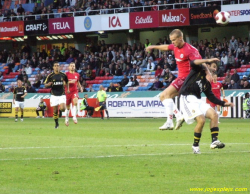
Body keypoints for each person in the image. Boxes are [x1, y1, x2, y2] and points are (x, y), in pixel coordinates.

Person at [146, 29, 205, 130]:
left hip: (187, 78)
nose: (172, 42)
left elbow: (198, 62)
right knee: (164, 97)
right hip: (181, 78)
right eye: (171, 40)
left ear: (180, 38)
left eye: (174, 40)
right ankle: (172, 120)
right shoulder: (176, 46)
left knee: (164, 95)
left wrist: (207, 72)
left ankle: (177, 117)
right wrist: (153, 46)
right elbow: (166, 47)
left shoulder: (190, 50)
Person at [179, 60, 234, 154]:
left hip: (197, 100)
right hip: (186, 96)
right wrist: (207, 62)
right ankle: (195, 146)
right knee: (201, 120)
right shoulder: (198, 71)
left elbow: (211, 97)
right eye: (211, 73)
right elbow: (193, 63)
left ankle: (214, 141)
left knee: (214, 114)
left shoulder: (207, 84)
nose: (213, 77)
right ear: (207, 72)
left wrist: (224, 104)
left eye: (214, 75)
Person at [44, 62, 69, 129]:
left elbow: (67, 81)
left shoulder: (63, 75)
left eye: (58, 66)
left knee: (63, 108)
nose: (56, 67)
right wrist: (48, 85)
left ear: (59, 67)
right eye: (55, 66)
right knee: (55, 111)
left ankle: (60, 110)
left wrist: (68, 89)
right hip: (54, 95)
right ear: (53, 67)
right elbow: (45, 84)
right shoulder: (50, 76)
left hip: (62, 94)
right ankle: (56, 123)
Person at [64, 62, 82, 126]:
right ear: (69, 67)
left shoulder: (77, 74)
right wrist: (70, 81)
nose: (72, 67)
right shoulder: (66, 74)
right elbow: (63, 83)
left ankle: (74, 117)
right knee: (68, 107)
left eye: (73, 66)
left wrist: (80, 87)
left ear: (75, 67)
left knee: (75, 102)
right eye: (71, 66)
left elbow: (78, 81)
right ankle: (66, 118)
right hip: (68, 92)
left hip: (75, 91)